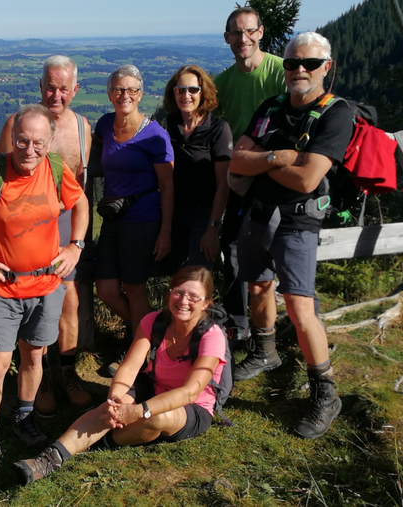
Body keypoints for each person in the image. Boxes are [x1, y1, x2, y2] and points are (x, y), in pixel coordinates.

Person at [0, 104, 89, 473]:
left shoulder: (56, 169)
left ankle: (23, 418)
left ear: (50, 141)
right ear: (13, 137)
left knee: (35, 356)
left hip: (47, 285)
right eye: (22, 140)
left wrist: (76, 245)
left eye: (38, 142)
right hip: (3, 290)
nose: (29, 149)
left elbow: (82, 203)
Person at [230, 32, 353, 439]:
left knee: (300, 306)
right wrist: (276, 157)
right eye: (292, 63)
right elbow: (237, 160)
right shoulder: (272, 106)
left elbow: (306, 179)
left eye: (310, 64)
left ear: (326, 68)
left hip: (299, 219)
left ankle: (324, 392)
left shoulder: (336, 113)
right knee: (259, 287)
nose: (299, 70)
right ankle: (265, 352)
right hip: (260, 212)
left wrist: (260, 162)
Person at [14, 265, 227, 484]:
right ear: (170, 292)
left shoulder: (212, 336)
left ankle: (98, 442)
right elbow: (129, 367)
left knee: (156, 417)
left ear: (206, 303)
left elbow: (189, 393)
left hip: (193, 407)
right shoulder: (154, 321)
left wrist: (139, 411)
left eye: (193, 297)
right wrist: (115, 398)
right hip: (153, 385)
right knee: (113, 406)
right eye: (179, 292)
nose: (183, 301)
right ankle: (48, 460)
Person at [0, 55, 93, 416]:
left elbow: (83, 190)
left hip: (66, 224)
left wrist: (77, 242)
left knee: (68, 301)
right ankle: (33, 382)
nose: (56, 95)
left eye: (63, 88)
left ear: (75, 90)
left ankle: (63, 375)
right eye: (50, 87)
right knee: (28, 302)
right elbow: (0, 181)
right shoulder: (17, 124)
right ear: (40, 87)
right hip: (25, 228)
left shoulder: (83, 128)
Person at [214, 5, 288, 342]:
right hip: (240, 179)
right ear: (227, 38)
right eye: (236, 33)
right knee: (231, 249)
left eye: (249, 31)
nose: (243, 38)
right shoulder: (223, 83)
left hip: (278, 176)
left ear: (260, 33)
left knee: (283, 250)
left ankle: (284, 325)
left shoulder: (279, 71)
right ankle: (238, 325)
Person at [94, 64, 175, 355]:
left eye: (131, 90)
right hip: (113, 220)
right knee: (105, 290)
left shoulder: (155, 136)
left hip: (143, 219)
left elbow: (167, 186)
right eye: (118, 89)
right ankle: (155, 333)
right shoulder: (104, 125)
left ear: (140, 94)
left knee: (135, 288)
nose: (124, 95)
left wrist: (165, 232)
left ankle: (140, 353)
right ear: (109, 94)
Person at [162, 65, 231, 271]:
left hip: (204, 215)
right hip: (174, 214)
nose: (186, 95)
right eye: (180, 89)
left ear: (204, 93)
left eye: (193, 90)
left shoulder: (219, 129)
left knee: (196, 278)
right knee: (175, 276)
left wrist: (212, 227)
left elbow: (223, 185)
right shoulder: (170, 124)